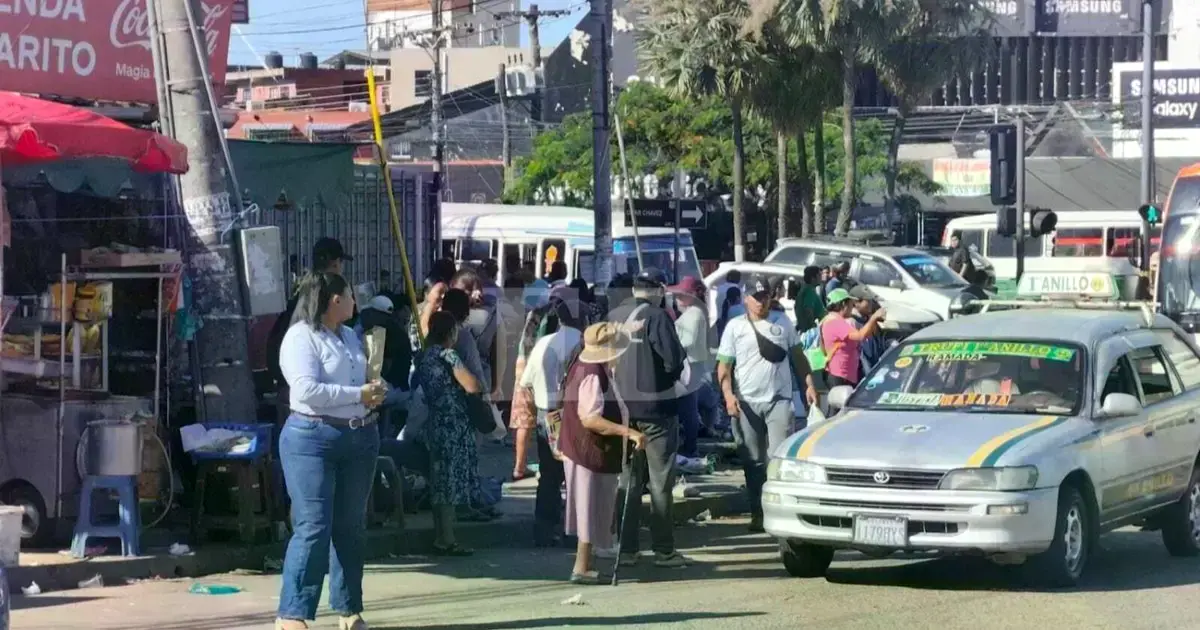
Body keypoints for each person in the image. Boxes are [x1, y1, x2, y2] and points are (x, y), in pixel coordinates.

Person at [275, 272, 386, 630]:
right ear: (334, 300)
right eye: (351, 295)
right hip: (313, 439)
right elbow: (306, 390)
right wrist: (358, 396)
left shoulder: (351, 336)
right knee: (313, 526)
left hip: (359, 437)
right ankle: (292, 613)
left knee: (351, 527)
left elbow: (359, 383)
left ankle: (349, 609)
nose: (356, 302)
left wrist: (374, 390)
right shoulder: (300, 337)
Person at [717, 276, 818, 533]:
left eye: (765, 297)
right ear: (745, 298)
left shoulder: (782, 322)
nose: (761, 302)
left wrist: (809, 384)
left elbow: (798, 356)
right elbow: (724, 367)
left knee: (777, 458)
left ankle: (780, 514)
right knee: (753, 462)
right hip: (747, 404)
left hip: (779, 401)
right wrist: (728, 396)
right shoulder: (735, 327)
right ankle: (757, 513)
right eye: (756, 297)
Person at [609, 269, 690, 569]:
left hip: (621, 411)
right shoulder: (657, 317)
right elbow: (674, 360)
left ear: (633, 288)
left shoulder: (614, 314)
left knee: (627, 481)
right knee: (660, 482)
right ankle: (663, 550)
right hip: (657, 410)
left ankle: (627, 550)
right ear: (658, 289)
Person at [560, 323, 645, 584]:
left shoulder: (587, 366)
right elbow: (590, 418)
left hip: (584, 447)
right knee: (588, 506)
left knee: (592, 506)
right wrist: (628, 432)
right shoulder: (592, 373)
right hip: (588, 448)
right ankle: (581, 567)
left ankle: (586, 564)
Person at [412, 311, 484, 557]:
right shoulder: (448, 355)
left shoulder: (424, 357)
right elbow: (472, 386)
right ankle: (447, 538)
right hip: (453, 425)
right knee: (451, 482)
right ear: (450, 333)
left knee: (440, 481)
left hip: (435, 423)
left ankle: (442, 535)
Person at [521, 287, 586, 546]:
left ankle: (544, 529)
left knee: (549, 475)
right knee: (576, 474)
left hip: (545, 414)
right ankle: (573, 531)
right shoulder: (582, 344)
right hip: (572, 414)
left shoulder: (542, 343)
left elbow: (525, 383)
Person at [267, 237, 352, 392]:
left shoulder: (304, 288)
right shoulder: (323, 296)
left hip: (288, 376)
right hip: (305, 385)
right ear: (335, 263)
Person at [671, 276, 718, 460]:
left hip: (689, 364)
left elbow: (688, 340)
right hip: (693, 364)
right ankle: (690, 445)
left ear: (690, 295)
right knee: (689, 406)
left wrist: (672, 345)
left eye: (680, 295)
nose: (677, 299)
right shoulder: (697, 311)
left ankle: (690, 447)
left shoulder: (695, 313)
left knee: (688, 407)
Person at [510, 301, 557, 481]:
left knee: (524, 421)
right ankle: (553, 462)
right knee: (551, 415)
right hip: (545, 370)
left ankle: (519, 468)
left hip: (523, 368)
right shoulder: (556, 315)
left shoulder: (534, 314)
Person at [821, 288, 886, 388]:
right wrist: (873, 318)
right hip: (839, 375)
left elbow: (863, 335)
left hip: (844, 375)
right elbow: (860, 336)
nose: (853, 307)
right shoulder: (835, 322)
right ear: (843, 304)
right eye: (851, 304)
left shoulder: (834, 320)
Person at [848, 286, 889, 375]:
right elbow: (863, 356)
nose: (871, 304)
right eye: (867, 301)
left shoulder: (867, 318)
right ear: (855, 303)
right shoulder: (852, 322)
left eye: (871, 301)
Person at [794, 266, 826, 334]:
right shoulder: (809, 291)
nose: (821, 277)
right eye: (819, 275)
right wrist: (812, 326)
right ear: (813, 278)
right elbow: (808, 308)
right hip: (809, 331)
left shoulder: (805, 289)